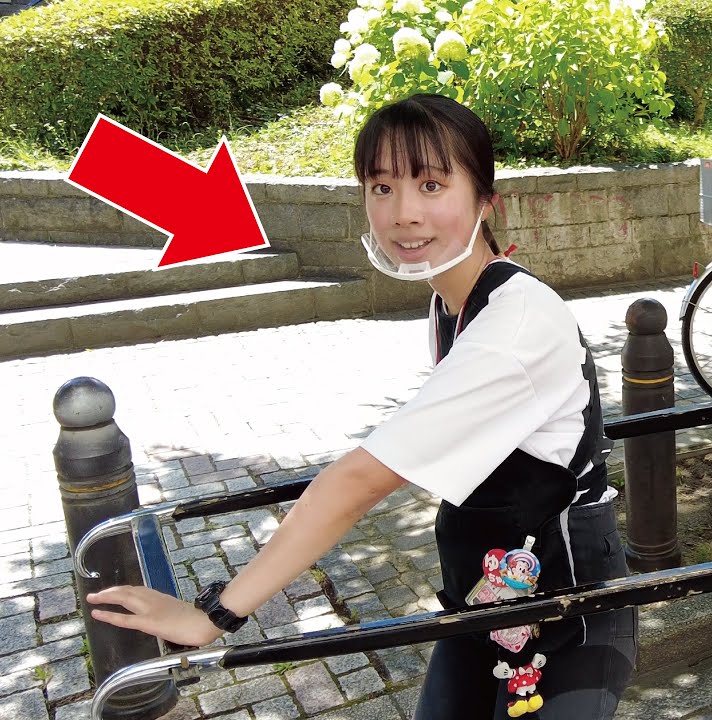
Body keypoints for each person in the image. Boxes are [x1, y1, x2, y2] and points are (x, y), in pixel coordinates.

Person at [86, 93, 638, 720]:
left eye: (432, 185)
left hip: (566, 615)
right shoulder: (454, 302)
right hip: (485, 600)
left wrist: (214, 614)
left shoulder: (514, 326)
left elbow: (356, 483)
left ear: (487, 199)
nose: (404, 213)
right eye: (382, 188)